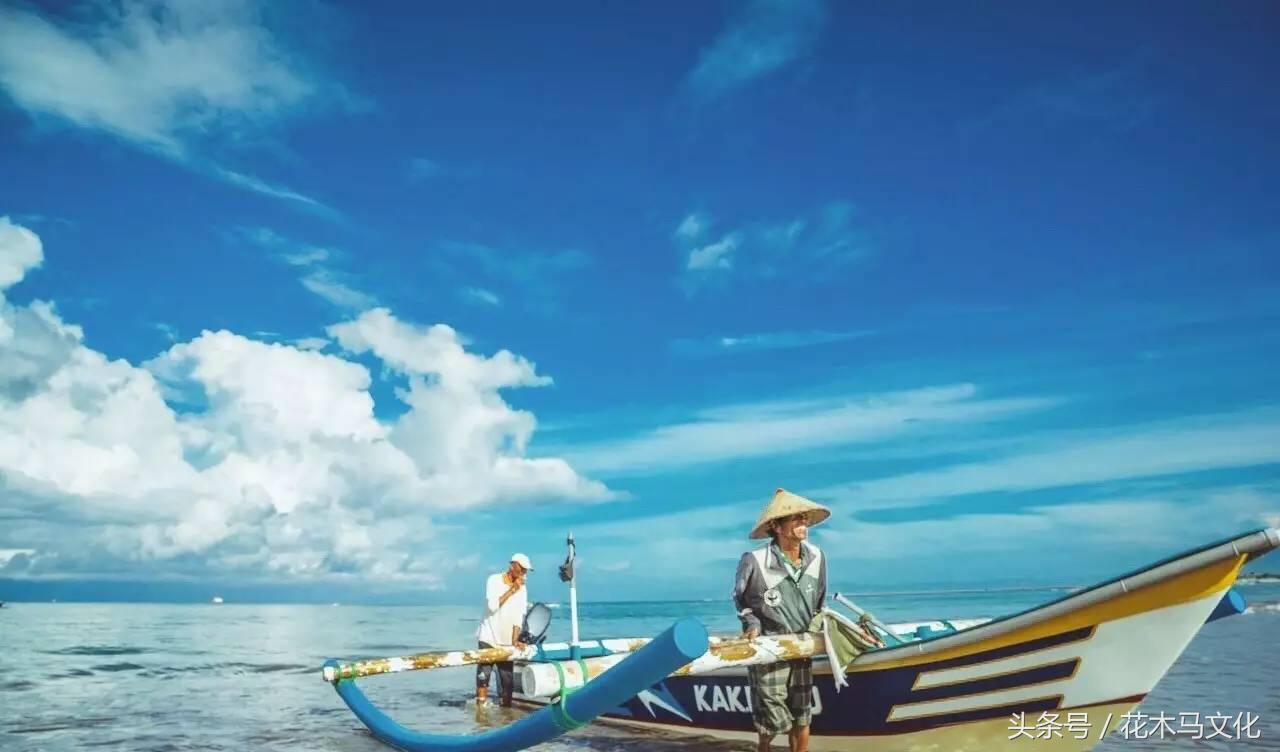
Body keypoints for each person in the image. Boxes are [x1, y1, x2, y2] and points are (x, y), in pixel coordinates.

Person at [732, 488, 830, 752]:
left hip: (803, 646)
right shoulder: (754, 560)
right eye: (796, 518)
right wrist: (752, 624)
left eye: (804, 517)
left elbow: (820, 600)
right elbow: (740, 599)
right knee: (771, 721)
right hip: (770, 648)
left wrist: (819, 628)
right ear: (776, 526)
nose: (803, 522)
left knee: (802, 715)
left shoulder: (817, 557)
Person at [476, 552, 533, 706]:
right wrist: (512, 590)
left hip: (507, 642)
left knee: (508, 682)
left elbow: (518, 616)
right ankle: (480, 713)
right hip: (488, 636)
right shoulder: (493, 580)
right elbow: (492, 607)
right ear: (513, 566)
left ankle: (506, 714)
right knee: (483, 678)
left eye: (526, 571)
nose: (524, 573)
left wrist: (515, 640)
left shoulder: (523, 589)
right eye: (522, 569)